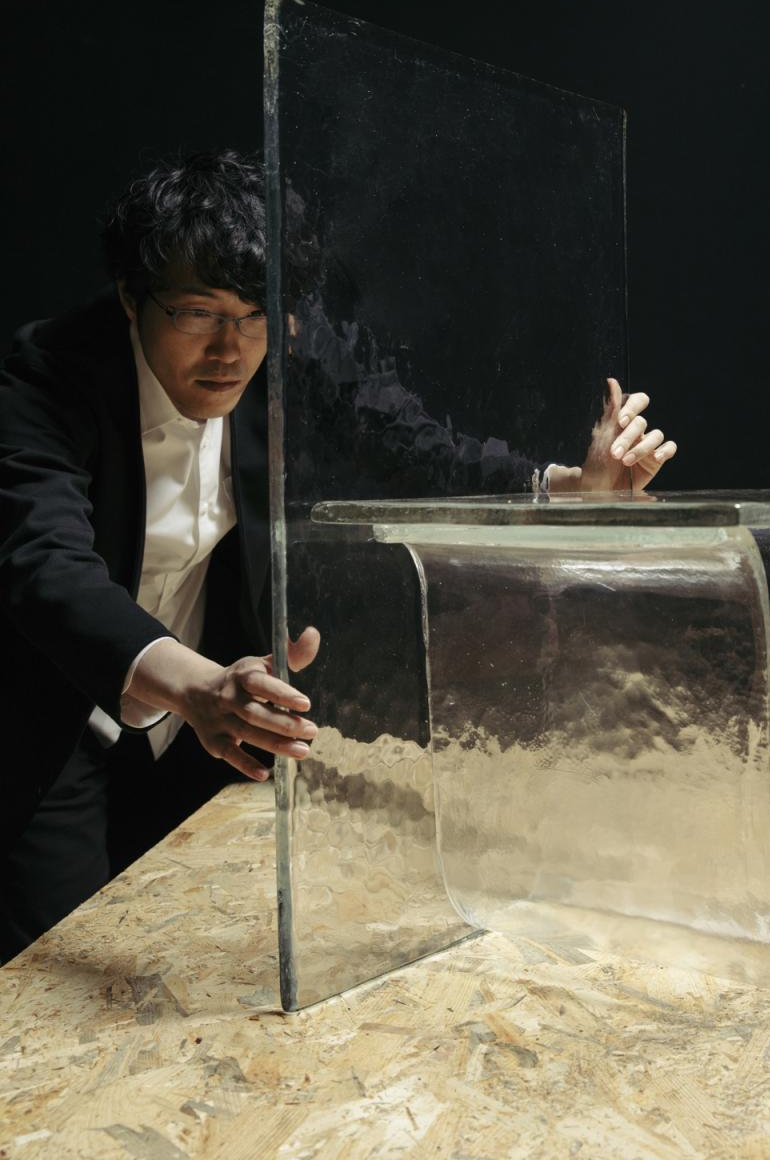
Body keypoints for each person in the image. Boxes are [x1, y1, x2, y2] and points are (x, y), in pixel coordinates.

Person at [0, 151, 676, 963]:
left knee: (197, 961)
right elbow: (45, 569)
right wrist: (199, 686)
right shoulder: (42, 378)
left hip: (210, 725)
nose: (230, 348)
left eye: (257, 315)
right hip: (48, 723)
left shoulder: (280, 355)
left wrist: (570, 485)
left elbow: (415, 445)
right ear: (128, 298)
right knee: (53, 978)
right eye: (197, 313)